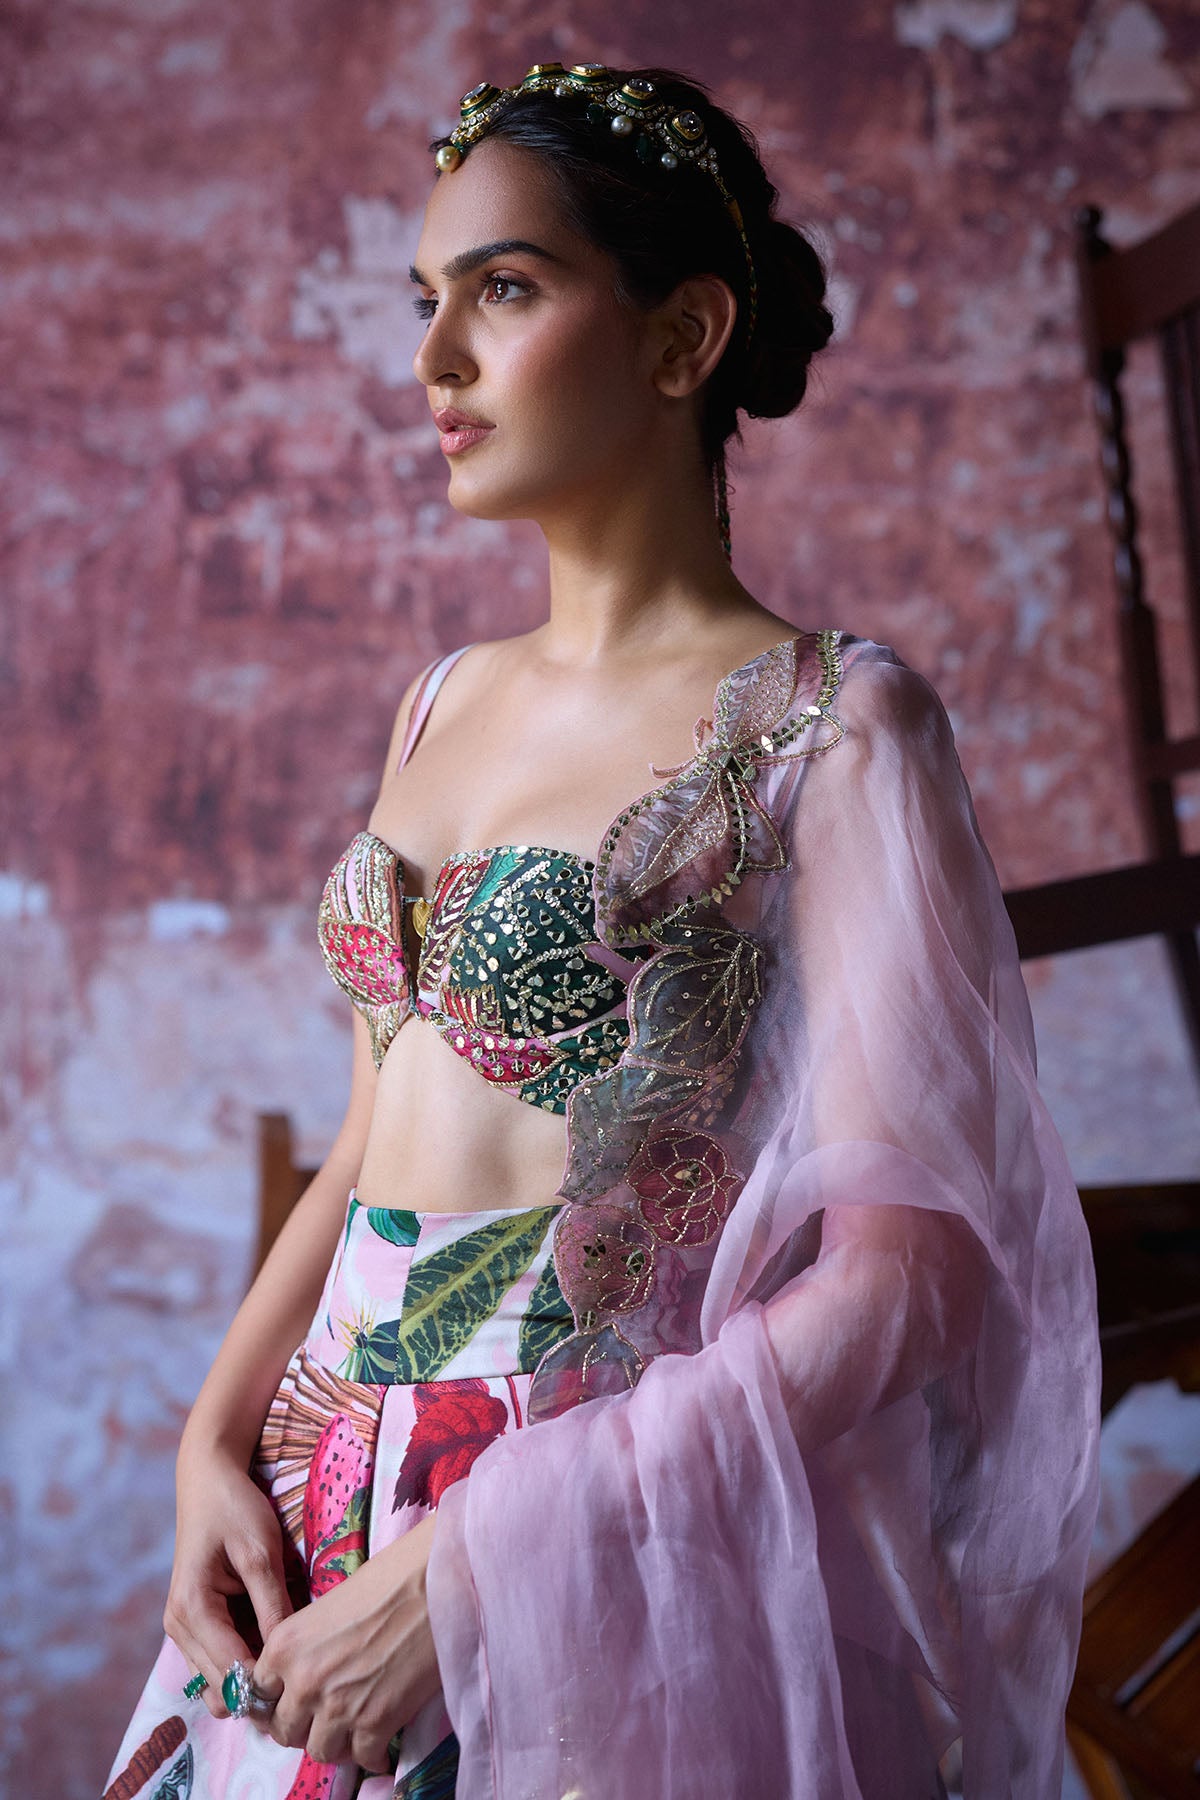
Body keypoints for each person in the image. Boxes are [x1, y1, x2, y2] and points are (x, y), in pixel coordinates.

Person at [102, 61, 1100, 1800]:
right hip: (311, 1503)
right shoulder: (438, 700)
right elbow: (365, 1149)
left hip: (583, 1516)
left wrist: (482, 1565)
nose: (436, 360)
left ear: (683, 334)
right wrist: (208, 1444)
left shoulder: (835, 725)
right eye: (428, 299)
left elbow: (910, 1282)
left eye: (503, 288)